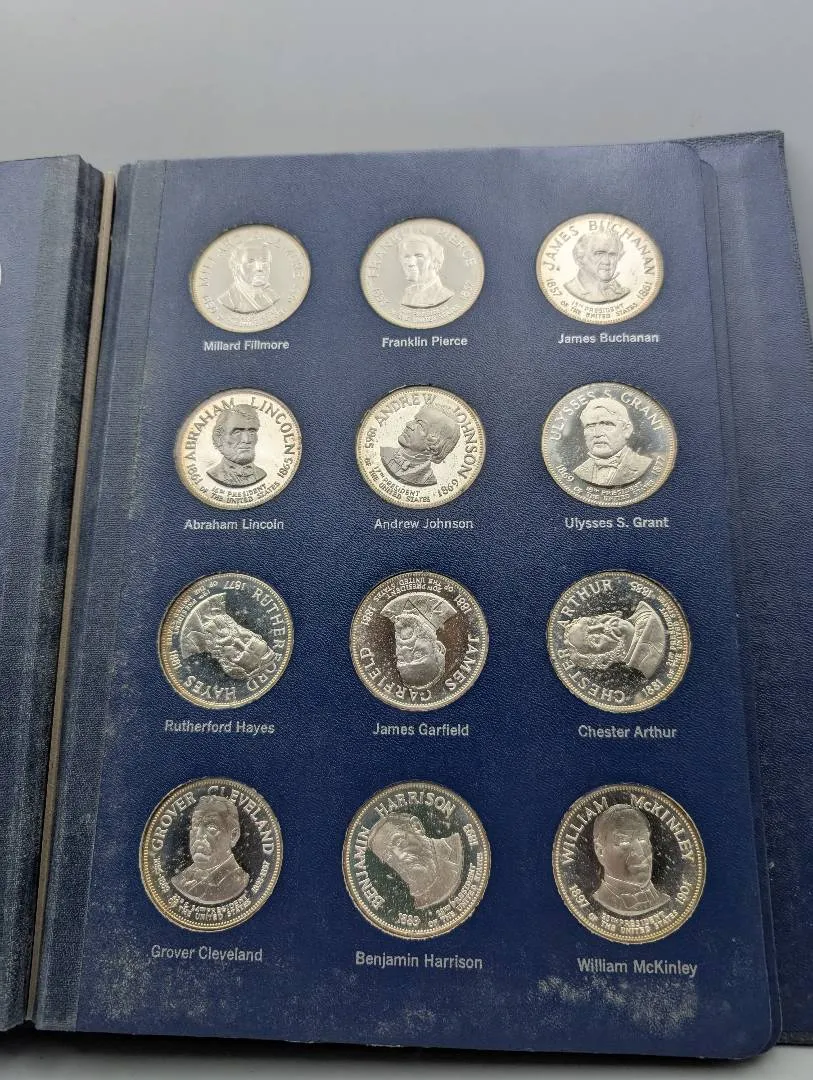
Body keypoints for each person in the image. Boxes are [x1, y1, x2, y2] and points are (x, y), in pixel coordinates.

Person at [367, 813, 463, 909]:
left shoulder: (457, 846)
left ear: (417, 827)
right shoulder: (414, 899)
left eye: (399, 842)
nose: (400, 857)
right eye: (388, 856)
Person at [591, 804, 669, 916]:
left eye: (643, 839)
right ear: (600, 852)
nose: (640, 852)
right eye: (624, 841)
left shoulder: (666, 900)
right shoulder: (597, 902)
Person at [171, 795, 249, 905]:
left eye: (211, 827)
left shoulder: (238, 882)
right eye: (196, 825)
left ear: (233, 835)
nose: (199, 835)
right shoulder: (180, 880)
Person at [180, 593, 273, 680]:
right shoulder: (216, 599)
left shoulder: (185, 646)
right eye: (247, 639)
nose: (237, 641)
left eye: (237, 654)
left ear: (226, 662)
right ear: (250, 632)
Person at [563, 601, 666, 680]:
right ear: (602, 657)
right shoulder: (647, 664)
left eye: (591, 622)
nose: (602, 627)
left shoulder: (643, 609)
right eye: (594, 639)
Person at [380, 592, 457, 689]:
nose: (404, 649)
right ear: (439, 648)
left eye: (401, 659)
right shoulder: (440, 609)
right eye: (418, 656)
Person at [573, 398, 652, 487]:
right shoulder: (579, 471)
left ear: (627, 430)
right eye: (590, 426)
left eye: (607, 425)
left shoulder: (643, 464)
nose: (597, 434)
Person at [380, 404, 461, 487]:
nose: (408, 424)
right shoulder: (382, 453)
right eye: (415, 420)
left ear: (435, 443)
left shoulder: (427, 481)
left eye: (420, 425)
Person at [206, 403, 267, 487]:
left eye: (252, 432)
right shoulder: (214, 474)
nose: (246, 440)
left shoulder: (261, 474)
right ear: (219, 437)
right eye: (237, 432)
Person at [564, 229, 630, 303]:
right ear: (580, 259)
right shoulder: (569, 290)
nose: (607, 262)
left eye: (612, 254)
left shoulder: (623, 293)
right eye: (599, 254)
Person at [218, 240, 280, 314]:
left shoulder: (273, 296)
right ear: (235, 267)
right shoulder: (227, 300)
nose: (259, 268)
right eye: (251, 262)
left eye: (264, 261)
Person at [398, 233, 454, 308]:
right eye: (407, 257)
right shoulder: (408, 295)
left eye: (419, 256)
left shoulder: (444, 295)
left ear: (435, 262)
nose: (410, 263)